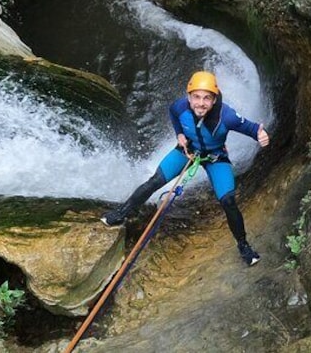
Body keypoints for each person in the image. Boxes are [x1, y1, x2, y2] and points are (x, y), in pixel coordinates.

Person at [101, 70, 270, 266]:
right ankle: (120, 214)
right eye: (196, 97)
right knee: (155, 181)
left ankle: (244, 246)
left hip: (215, 157)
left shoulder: (228, 116)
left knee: (228, 201)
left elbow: (252, 129)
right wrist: (179, 135)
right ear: (189, 97)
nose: (201, 103)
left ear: (215, 100)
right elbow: (173, 114)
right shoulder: (180, 107)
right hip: (187, 150)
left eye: (207, 98)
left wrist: (261, 136)